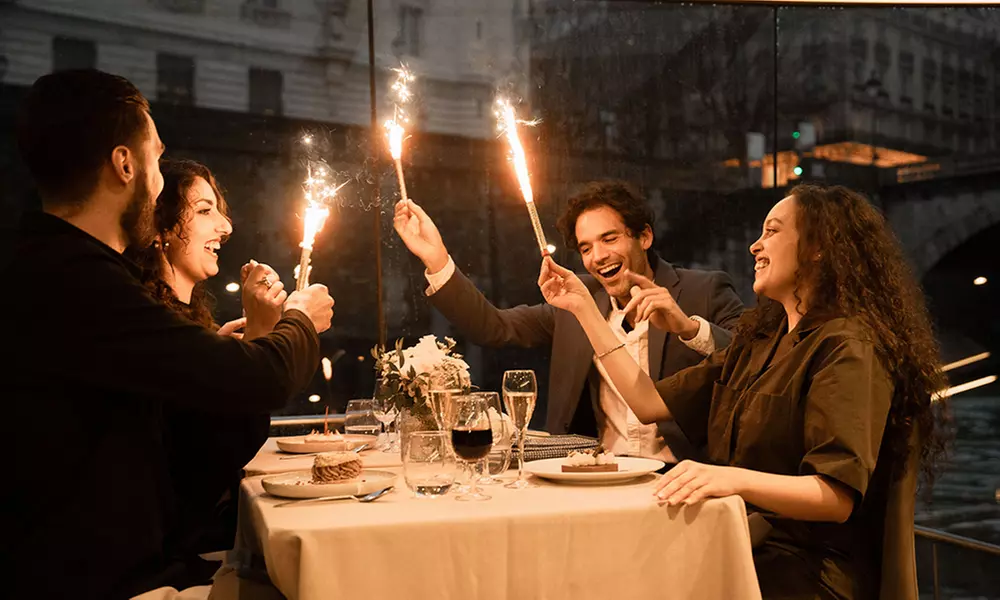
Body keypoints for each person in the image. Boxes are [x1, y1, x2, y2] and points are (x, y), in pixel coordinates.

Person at [4, 69, 334, 599]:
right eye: (156, 158)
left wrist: (221, 357)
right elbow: (262, 379)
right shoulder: (75, 280)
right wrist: (299, 319)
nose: (159, 183)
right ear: (125, 164)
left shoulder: (68, 270)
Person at [538, 184, 947, 599]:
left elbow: (834, 496)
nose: (755, 245)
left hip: (806, 572)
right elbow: (646, 402)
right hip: (745, 542)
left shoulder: (849, 346)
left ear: (819, 247)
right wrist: (583, 309)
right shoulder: (761, 339)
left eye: (771, 231)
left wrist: (726, 479)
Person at [394, 181, 744, 461]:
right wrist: (436, 258)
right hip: (599, 472)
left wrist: (689, 328)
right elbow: (493, 327)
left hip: (683, 474)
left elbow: (751, 356)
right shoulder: (576, 302)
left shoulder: (705, 289)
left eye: (610, 239)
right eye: (586, 247)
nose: (598, 256)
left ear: (644, 237)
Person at [125, 159, 283, 560]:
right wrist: (264, 338)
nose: (226, 227)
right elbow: (214, 456)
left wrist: (229, 353)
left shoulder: (188, 323)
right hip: (175, 556)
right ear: (160, 228)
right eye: (204, 210)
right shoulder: (153, 329)